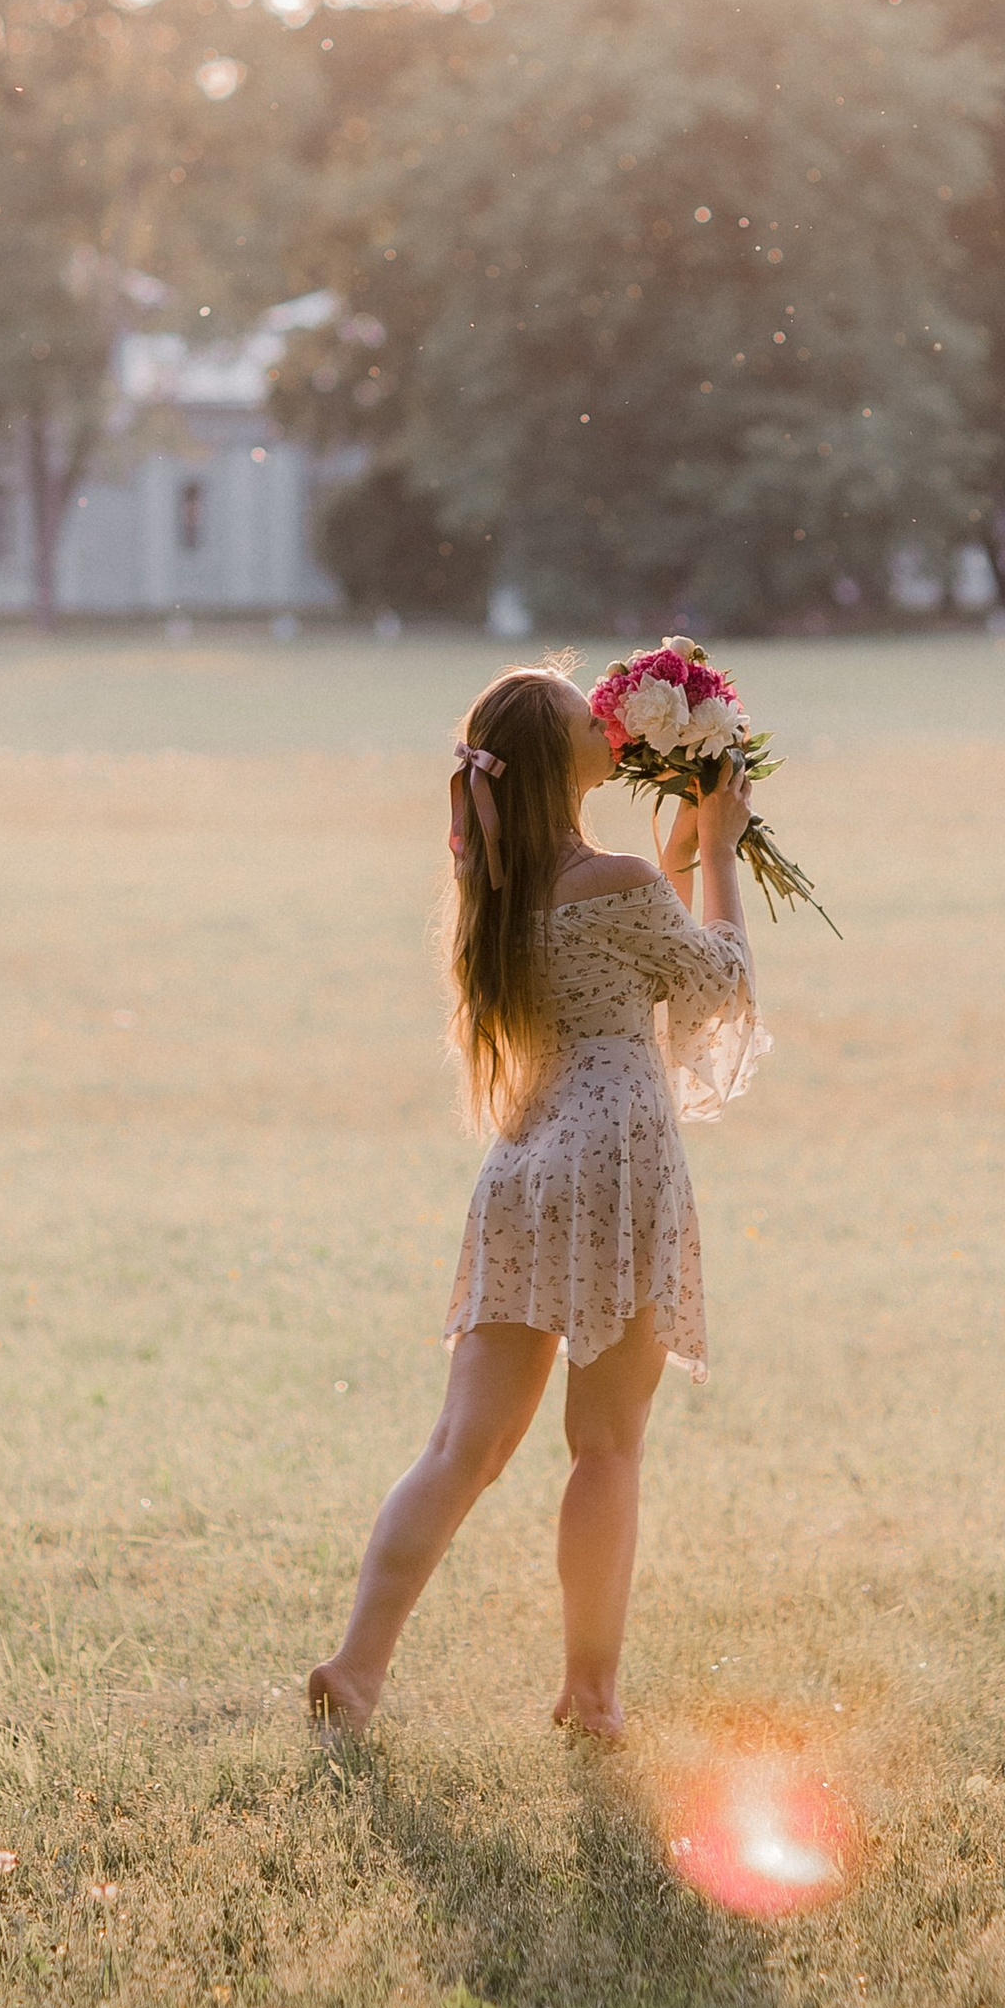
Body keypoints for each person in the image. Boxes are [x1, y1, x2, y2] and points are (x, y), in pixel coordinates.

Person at [307, 662, 764, 1742]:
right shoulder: (615, 885)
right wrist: (722, 855)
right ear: (565, 764)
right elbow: (720, 981)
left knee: (460, 1446)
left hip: (523, 1169)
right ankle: (590, 1695)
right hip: (612, 1168)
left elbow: (621, 954)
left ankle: (358, 1667)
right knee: (604, 1446)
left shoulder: (497, 888)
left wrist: (674, 860)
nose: (604, 720)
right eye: (581, 717)